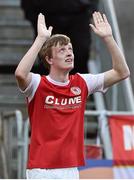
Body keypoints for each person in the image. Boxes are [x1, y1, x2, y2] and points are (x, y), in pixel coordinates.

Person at [15, 12, 130, 179]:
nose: (69, 53)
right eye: (62, 50)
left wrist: (108, 38)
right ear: (49, 59)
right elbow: (20, 74)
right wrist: (40, 39)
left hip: (71, 169)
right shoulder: (37, 84)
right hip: (42, 170)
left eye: (70, 49)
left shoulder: (82, 82)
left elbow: (122, 72)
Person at [20, 0, 99, 74]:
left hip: (78, 13)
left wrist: (90, 7)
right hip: (47, 13)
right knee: (47, 58)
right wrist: (30, 12)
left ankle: (77, 85)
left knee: (80, 54)